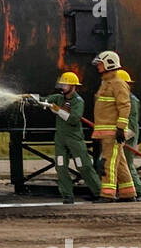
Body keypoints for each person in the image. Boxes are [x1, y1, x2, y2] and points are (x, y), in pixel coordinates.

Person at [38, 72, 101, 204]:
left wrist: (58, 110)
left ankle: (98, 193)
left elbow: (74, 119)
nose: (62, 87)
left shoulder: (78, 101)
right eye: (62, 84)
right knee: (60, 166)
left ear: (73, 86)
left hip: (74, 139)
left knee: (83, 166)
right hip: (60, 138)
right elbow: (44, 100)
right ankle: (67, 195)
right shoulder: (59, 98)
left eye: (65, 84)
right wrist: (31, 98)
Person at [90, 50, 136, 202]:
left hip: (112, 132)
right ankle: (128, 193)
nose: (98, 67)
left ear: (109, 64)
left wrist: (121, 128)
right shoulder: (106, 83)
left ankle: (108, 194)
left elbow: (125, 106)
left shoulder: (118, 83)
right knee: (120, 163)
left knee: (108, 163)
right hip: (105, 131)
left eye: (100, 64)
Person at [120, 69, 141, 201]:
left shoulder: (131, 100)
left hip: (128, 137)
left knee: (127, 165)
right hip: (122, 136)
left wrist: (123, 137)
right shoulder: (122, 98)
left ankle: (139, 191)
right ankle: (126, 191)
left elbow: (133, 125)